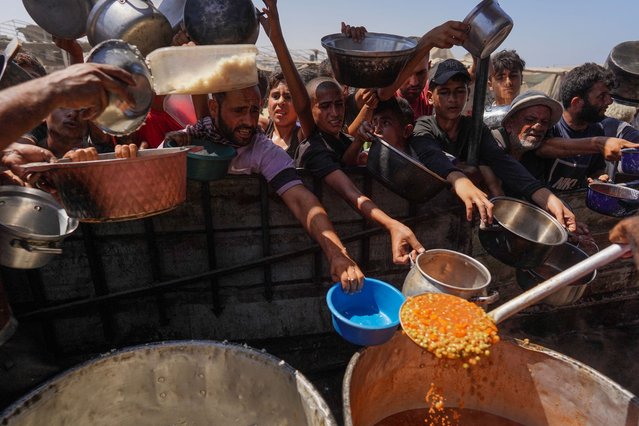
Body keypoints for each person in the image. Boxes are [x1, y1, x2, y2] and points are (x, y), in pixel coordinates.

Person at [259, 0, 469, 264]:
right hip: (322, 245)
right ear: (308, 111)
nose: (334, 112)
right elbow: (351, 193)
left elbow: (381, 92)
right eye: (324, 106)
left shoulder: (342, 135)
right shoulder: (313, 147)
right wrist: (392, 224)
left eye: (338, 104)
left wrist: (361, 48)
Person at [162, 84, 364, 293]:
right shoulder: (183, 140)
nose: (249, 121)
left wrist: (337, 253)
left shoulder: (264, 150)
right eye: (239, 111)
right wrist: (127, 157)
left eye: (254, 111)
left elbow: (302, 200)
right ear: (213, 108)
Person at [409, 59, 576, 231]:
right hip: (428, 216)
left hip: (464, 219)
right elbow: (430, 154)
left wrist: (547, 198)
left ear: (467, 94)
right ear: (430, 98)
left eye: (459, 91)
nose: (453, 99)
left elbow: (502, 162)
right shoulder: (423, 126)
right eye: (444, 92)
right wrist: (460, 180)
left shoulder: (475, 129)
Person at [0, 63, 135, 151]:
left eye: (83, 109)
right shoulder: (21, 157)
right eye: (63, 106)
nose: (73, 114)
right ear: (43, 116)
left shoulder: (99, 157)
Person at [258, 70, 302, 157]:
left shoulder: (302, 136)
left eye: (288, 97)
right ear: (268, 101)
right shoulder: (261, 127)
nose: (281, 101)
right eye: (275, 96)